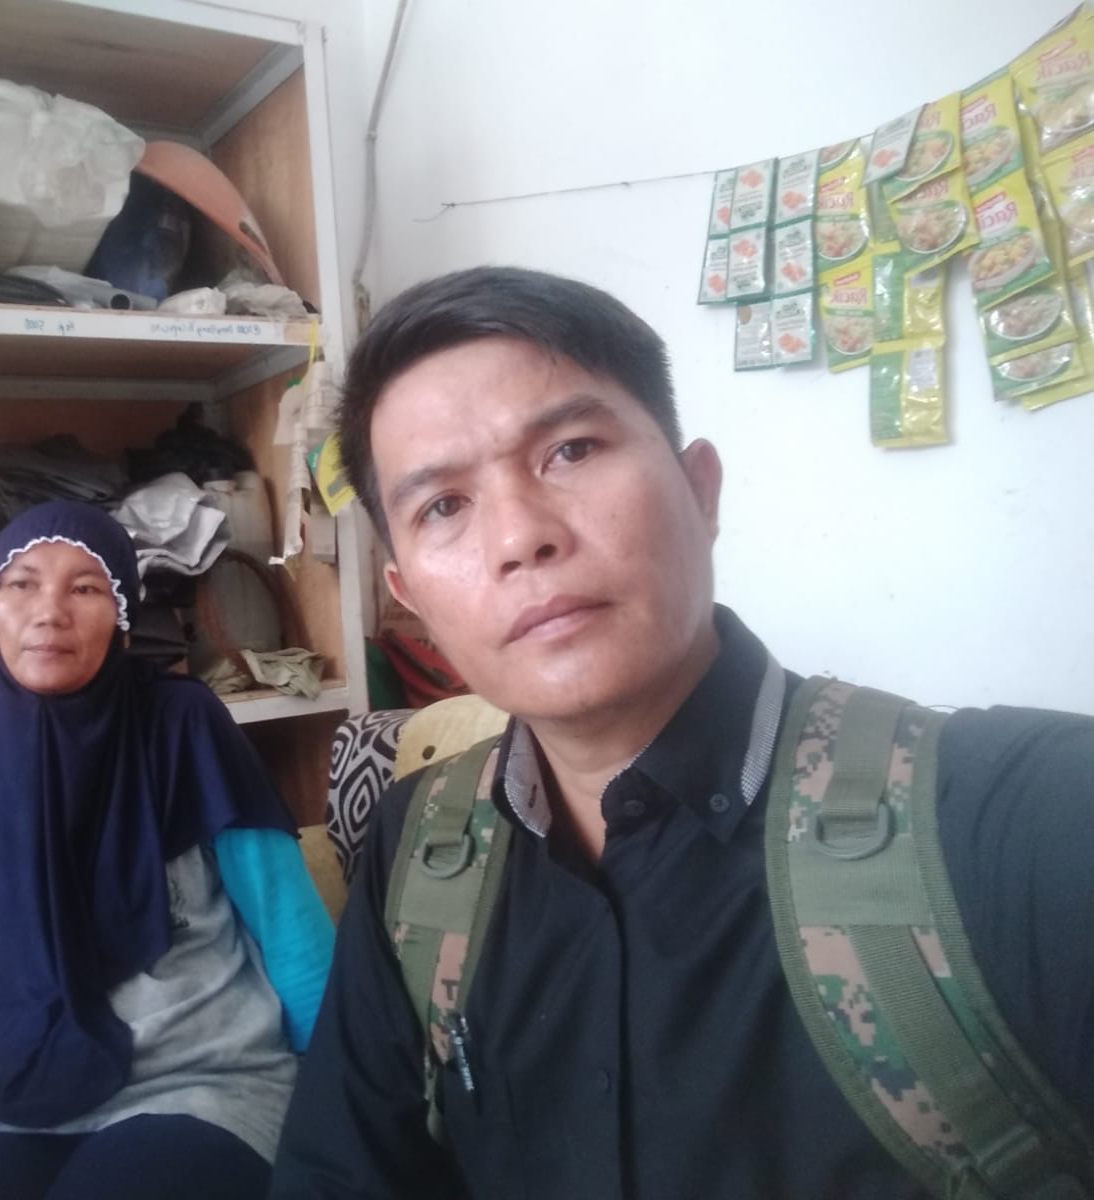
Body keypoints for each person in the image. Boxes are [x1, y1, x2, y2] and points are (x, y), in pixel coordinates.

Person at [268, 266, 1094, 1198]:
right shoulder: (421, 850)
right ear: (411, 599)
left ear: (701, 490)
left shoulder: (1021, 824)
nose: (519, 538)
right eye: (443, 506)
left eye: (570, 450)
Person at [0, 499, 335, 1200]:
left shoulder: (180, 724)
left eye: (86, 588)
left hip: (203, 1073)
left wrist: (339, 1087)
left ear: (122, 621)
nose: (49, 612)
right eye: (22, 583)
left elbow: (285, 916)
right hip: (16, 1062)